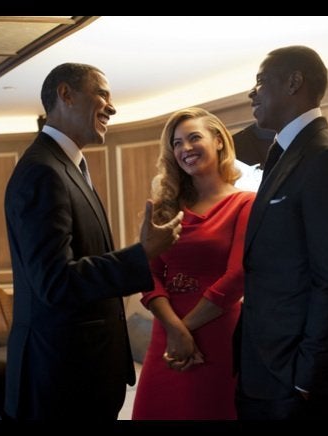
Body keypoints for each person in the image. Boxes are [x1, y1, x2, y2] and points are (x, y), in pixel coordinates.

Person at [3, 63, 183, 420]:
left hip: (84, 376)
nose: (112, 107)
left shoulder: (68, 167)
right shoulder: (43, 171)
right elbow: (55, 282)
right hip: (62, 382)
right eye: (102, 93)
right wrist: (141, 255)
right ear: (65, 94)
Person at [234, 46, 328, 420]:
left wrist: (307, 376)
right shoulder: (285, 153)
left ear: (294, 82)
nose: (251, 93)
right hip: (263, 367)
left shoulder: (326, 157)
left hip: (293, 374)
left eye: (260, 81)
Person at [132, 107, 255, 419]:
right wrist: (173, 329)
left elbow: (237, 275)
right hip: (165, 332)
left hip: (216, 332)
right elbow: (146, 272)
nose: (185, 148)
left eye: (194, 138)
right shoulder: (163, 208)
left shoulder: (245, 203)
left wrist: (183, 330)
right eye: (176, 143)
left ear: (218, 141)